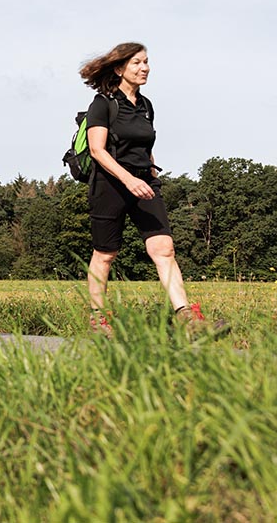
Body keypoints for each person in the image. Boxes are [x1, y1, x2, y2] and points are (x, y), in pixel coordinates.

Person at [78, 43, 226, 336]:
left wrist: (150, 172)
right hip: (110, 184)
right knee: (105, 253)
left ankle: (188, 319)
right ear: (119, 68)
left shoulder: (146, 106)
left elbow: (145, 146)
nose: (144, 68)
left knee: (164, 247)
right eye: (136, 63)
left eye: (146, 62)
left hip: (145, 182)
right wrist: (128, 180)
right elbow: (97, 150)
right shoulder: (103, 103)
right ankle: (98, 319)